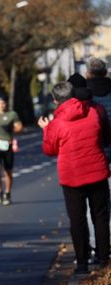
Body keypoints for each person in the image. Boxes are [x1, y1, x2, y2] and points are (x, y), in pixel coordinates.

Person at [39, 81, 111, 274]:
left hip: (72, 176)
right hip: (97, 171)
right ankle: (104, 258)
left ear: (55, 101)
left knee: (77, 220)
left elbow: (49, 149)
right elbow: (105, 138)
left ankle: (82, 262)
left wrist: (46, 130)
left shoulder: (57, 123)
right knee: (101, 216)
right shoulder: (94, 112)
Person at [0, 96, 23, 205]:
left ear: (6, 104)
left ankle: (7, 193)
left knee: (8, 172)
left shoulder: (12, 114)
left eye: (3, 103)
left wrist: (12, 128)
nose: (1, 105)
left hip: (7, 144)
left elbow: (20, 127)